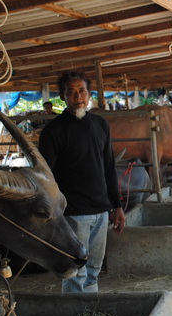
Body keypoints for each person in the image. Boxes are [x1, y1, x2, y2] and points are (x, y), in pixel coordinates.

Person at [39, 70, 125, 293]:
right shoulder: (53, 131)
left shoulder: (100, 125)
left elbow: (109, 167)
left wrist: (116, 206)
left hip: (101, 211)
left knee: (94, 268)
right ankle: (74, 312)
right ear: (63, 96)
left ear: (89, 94)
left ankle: (90, 310)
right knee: (75, 271)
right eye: (71, 92)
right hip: (73, 213)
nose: (78, 96)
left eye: (82, 91)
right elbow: (45, 176)